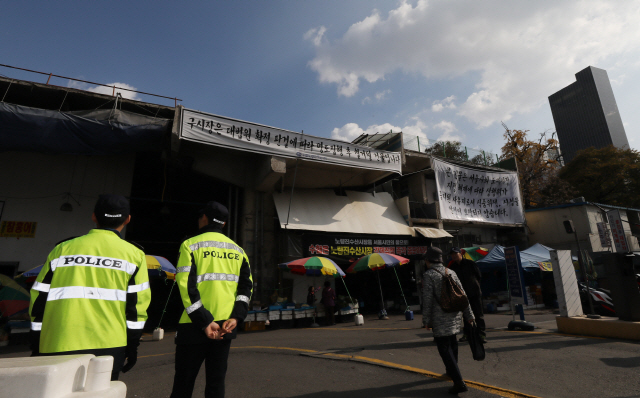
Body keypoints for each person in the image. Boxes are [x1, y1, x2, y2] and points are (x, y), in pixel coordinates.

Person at [29, 194, 150, 380]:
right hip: (110, 346)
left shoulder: (62, 250)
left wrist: (36, 340)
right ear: (128, 219)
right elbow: (137, 309)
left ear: (94, 216)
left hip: (58, 342)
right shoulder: (135, 255)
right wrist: (132, 346)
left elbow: (39, 298)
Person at [170, 201, 253, 398]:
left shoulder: (190, 245)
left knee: (183, 384)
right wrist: (237, 316)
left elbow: (185, 286)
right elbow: (246, 287)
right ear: (223, 224)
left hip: (194, 325)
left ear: (204, 219)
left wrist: (205, 320)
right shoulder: (239, 251)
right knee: (216, 385)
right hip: (225, 326)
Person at [422, 246, 474, 395]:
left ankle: (458, 382)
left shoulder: (429, 275)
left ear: (428, 260)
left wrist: (426, 319)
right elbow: (462, 295)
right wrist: (469, 315)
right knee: (452, 343)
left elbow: (427, 300)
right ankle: (452, 371)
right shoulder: (451, 271)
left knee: (444, 348)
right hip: (455, 314)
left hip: (440, 316)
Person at [448, 247, 486, 342]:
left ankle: (481, 334)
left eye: (455, 254)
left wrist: (475, 286)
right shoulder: (452, 267)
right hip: (462, 295)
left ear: (460, 254)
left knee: (478, 314)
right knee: (465, 316)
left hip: (474, 293)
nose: (454, 256)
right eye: (452, 254)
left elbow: (479, 276)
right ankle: (467, 334)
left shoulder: (470, 264)